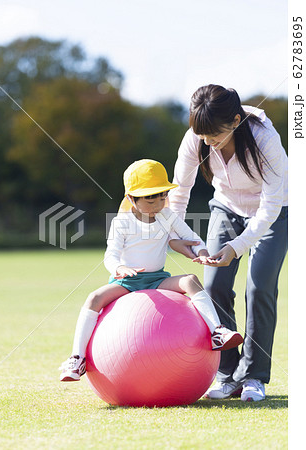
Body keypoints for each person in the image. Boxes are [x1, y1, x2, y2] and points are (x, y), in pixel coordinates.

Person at [60, 159, 243, 382]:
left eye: (162, 196)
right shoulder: (122, 223)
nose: (157, 203)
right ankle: (77, 358)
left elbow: (192, 239)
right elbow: (110, 255)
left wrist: (203, 252)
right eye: (149, 198)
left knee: (190, 280)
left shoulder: (167, 216)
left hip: (157, 279)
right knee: (94, 298)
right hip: (127, 282)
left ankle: (217, 332)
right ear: (131, 199)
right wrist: (120, 268)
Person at [168, 84, 288, 402]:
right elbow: (179, 192)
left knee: (259, 287)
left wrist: (237, 246)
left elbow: (271, 205)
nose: (208, 142)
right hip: (226, 208)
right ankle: (228, 375)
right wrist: (179, 236)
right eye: (203, 135)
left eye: (215, 136)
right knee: (214, 285)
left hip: (273, 213)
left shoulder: (264, 139)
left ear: (235, 121)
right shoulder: (197, 137)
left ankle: (254, 376)